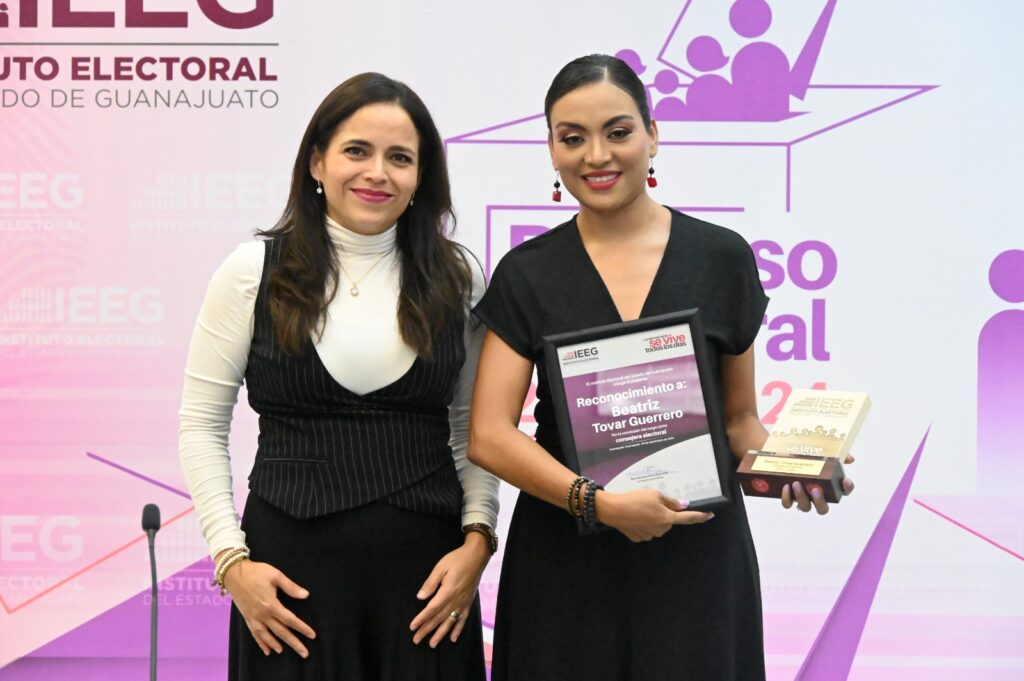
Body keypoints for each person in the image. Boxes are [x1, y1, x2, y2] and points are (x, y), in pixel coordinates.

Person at [468, 54, 853, 680]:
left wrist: (791, 467)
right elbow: (488, 434)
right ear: (551, 150)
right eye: (573, 138)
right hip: (566, 562)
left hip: (696, 561)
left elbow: (739, 422)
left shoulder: (721, 257)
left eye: (618, 132)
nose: (596, 155)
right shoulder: (527, 272)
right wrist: (596, 503)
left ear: (653, 134)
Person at [179, 72, 499, 681]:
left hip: (429, 586)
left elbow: (472, 429)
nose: (377, 172)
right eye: (357, 151)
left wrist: (478, 543)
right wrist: (231, 563)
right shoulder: (252, 272)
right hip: (287, 587)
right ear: (317, 163)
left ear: (421, 178)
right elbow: (200, 424)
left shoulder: (458, 280)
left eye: (400, 158)